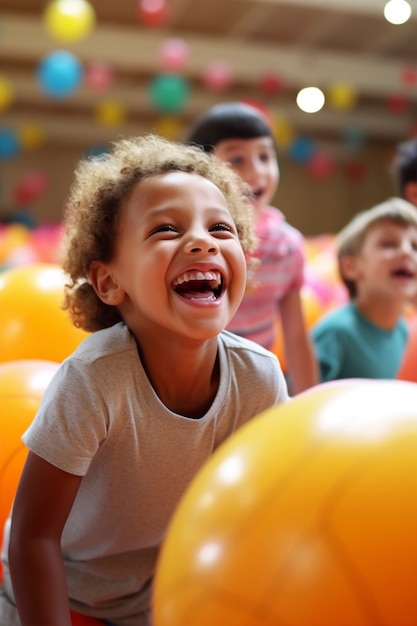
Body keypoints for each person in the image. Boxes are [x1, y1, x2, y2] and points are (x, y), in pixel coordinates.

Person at [0, 134, 289, 626]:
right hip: (57, 594)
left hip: (159, 596)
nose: (201, 241)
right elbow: (33, 537)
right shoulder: (95, 379)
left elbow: (266, 520)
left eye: (221, 228)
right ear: (110, 281)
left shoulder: (258, 377)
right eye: (166, 230)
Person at [186, 101, 318, 395]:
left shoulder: (286, 246)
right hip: (194, 385)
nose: (256, 171)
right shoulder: (197, 243)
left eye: (264, 156)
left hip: (254, 383)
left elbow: (296, 336)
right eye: (237, 160)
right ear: (204, 169)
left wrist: (310, 399)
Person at [310, 197, 417, 382]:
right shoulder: (336, 333)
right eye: (389, 244)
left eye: (415, 246)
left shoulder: (404, 332)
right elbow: (300, 402)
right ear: (351, 267)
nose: (407, 252)